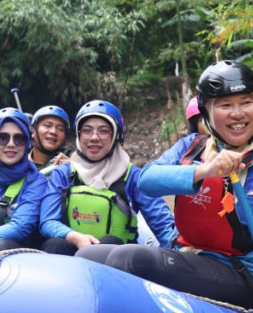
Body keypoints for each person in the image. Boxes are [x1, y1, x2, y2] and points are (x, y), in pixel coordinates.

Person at [78, 60, 253, 313]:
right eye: (225, 105)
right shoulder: (191, 147)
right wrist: (207, 170)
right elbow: (147, 180)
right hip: (188, 254)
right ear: (208, 113)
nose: (238, 113)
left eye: (246, 102)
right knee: (87, 258)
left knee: (130, 259)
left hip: (242, 275)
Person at [38, 100, 175, 255]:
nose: (94, 137)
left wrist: (180, 250)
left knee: (110, 244)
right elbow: (48, 221)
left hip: (115, 259)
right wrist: (75, 237)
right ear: (78, 135)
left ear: (116, 135)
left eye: (103, 131)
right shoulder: (63, 173)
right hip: (71, 253)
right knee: (54, 244)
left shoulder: (134, 176)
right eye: (87, 130)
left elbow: (162, 222)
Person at [0, 107, 46, 250]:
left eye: (19, 139)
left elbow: (20, 228)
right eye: (3, 138)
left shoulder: (37, 181)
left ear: (28, 143)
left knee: (0, 245)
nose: (11, 144)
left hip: (15, 261)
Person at [29, 105, 71, 171]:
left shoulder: (75, 163)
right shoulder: (17, 164)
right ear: (33, 131)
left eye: (60, 129)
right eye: (47, 126)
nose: (53, 132)